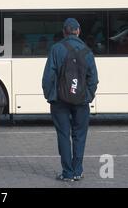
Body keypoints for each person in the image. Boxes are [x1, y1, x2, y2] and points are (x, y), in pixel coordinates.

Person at [42, 18, 98, 181]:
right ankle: (78, 170)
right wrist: (87, 96)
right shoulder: (87, 51)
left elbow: (48, 78)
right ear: (78, 31)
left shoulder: (56, 49)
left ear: (64, 32)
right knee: (80, 136)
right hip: (81, 101)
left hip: (60, 101)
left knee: (63, 135)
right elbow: (93, 79)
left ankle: (67, 173)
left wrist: (50, 96)